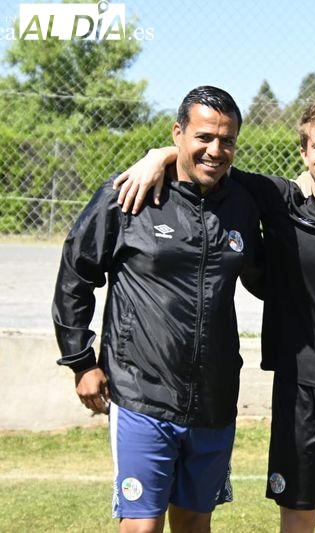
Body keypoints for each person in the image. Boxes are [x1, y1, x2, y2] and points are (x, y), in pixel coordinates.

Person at [116, 99, 315, 533]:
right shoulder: (280, 199)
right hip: (298, 388)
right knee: (298, 519)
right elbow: (211, 159)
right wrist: (160, 156)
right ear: (304, 154)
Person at [51, 85, 263, 533]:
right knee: (141, 527)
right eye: (204, 137)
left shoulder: (243, 204)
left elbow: (266, 278)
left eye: (227, 141)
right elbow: (76, 274)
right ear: (178, 134)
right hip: (141, 393)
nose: (215, 149)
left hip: (214, 399)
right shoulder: (128, 194)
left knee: (193, 524)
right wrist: (80, 361)